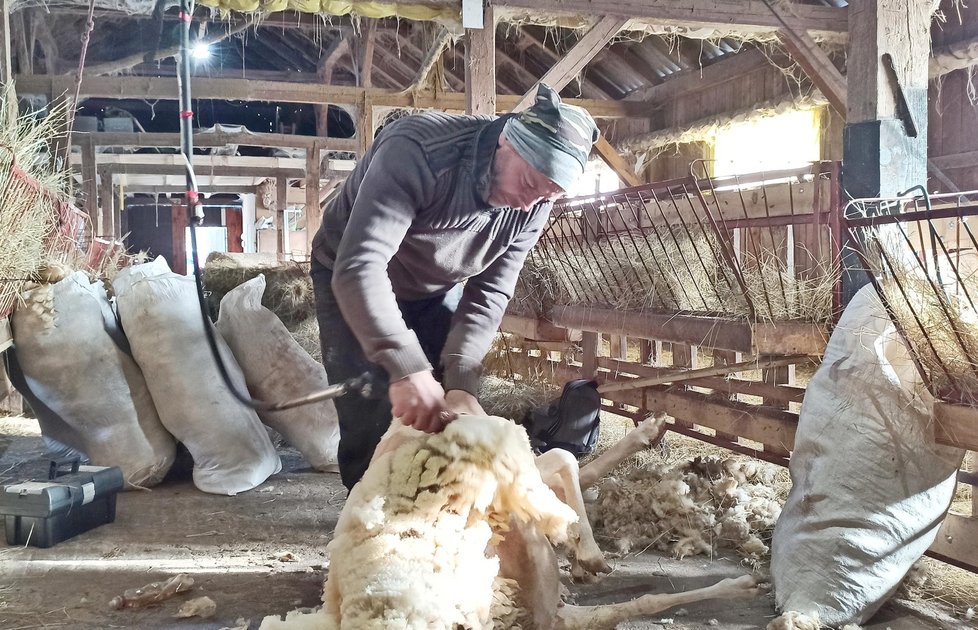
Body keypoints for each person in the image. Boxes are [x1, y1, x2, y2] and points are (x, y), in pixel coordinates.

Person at [310, 83, 599, 489]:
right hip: (350, 271)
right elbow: (361, 266)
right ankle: (370, 520)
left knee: (443, 403)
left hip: (435, 283)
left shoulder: (535, 202)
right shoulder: (418, 150)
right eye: (530, 184)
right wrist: (403, 365)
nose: (528, 205)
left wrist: (462, 381)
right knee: (372, 403)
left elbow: (492, 290)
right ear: (507, 143)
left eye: (547, 196)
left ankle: (433, 508)